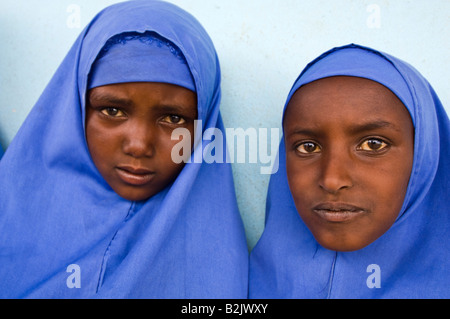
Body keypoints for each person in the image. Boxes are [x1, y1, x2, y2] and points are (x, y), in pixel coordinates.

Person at [0, 0, 248, 298]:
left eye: (173, 118)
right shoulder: (10, 214)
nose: (138, 145)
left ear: (203, 125)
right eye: (112, 111)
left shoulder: (219, 264)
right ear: (75, 107)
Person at [249, 44, 450, 298]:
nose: (332, 180)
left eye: (373, 144)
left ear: (425, 153)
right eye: (308, 146)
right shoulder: (242, 288)